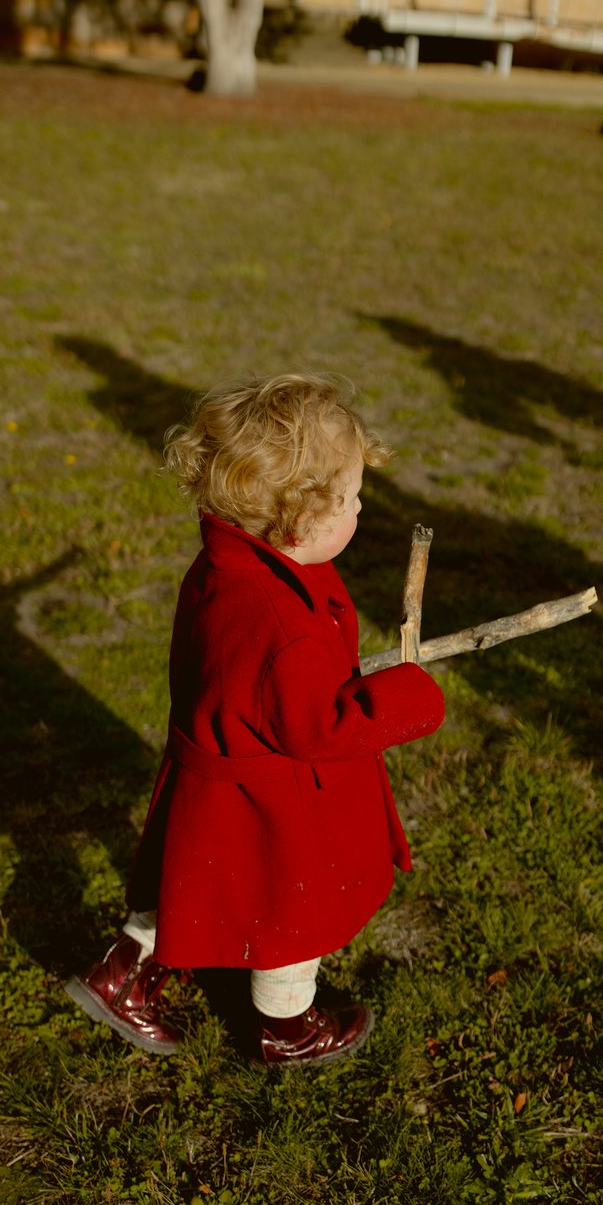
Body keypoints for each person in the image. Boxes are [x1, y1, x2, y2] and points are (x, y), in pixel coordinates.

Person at [66, 374, 444, 1068]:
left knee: (196, 878)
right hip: (276, 802)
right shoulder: (281, 627)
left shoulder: (231, 563)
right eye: (353, 498)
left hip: (216, 778)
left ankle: (124, 972)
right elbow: (316, 729)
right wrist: (407, 701)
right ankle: (287, 1026)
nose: (362, 509)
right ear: (301, 521)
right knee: (290, 911)